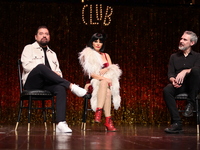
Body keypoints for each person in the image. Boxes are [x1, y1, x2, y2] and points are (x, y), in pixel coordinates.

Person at [21, 26, 87, 133]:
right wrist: (46, 70)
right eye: (41, 33)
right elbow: (26, 66)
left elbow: (59, 73)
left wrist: (54, 74)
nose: (44, 36)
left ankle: (61, 123)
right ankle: (71, 86)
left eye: (46, 34)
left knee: (60, 87)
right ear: (36, 37)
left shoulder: (52, 54)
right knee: (41, 67)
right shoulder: (29, 48)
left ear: (49, 37)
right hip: (32, 82)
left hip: (47, 84)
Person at [78, 33, 122, 131]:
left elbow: (112, 69)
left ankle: (99, 112)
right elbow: (91, 74)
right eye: (95, 41)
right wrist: (104, 79)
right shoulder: (88, 54)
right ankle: (107, 120)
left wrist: (106, 71)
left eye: (100, 42)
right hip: (92, 83)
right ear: (92, 42)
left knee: (107, 89)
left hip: (107, 83)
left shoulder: (106, 55)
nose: (98, 44)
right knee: (106, 89)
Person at [163, 31, 200, 133]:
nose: (181, 41)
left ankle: (190, 103)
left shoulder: (197, 56)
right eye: (181, 39)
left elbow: (197, 69)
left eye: (184, 40)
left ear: (192, 43)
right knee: (167, 90)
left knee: (196, 71)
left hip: (194, 85)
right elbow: (170, 74)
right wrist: (173, 80)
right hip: (180, 85)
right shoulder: (174, 57)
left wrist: (185, 71)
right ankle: (176, 123)